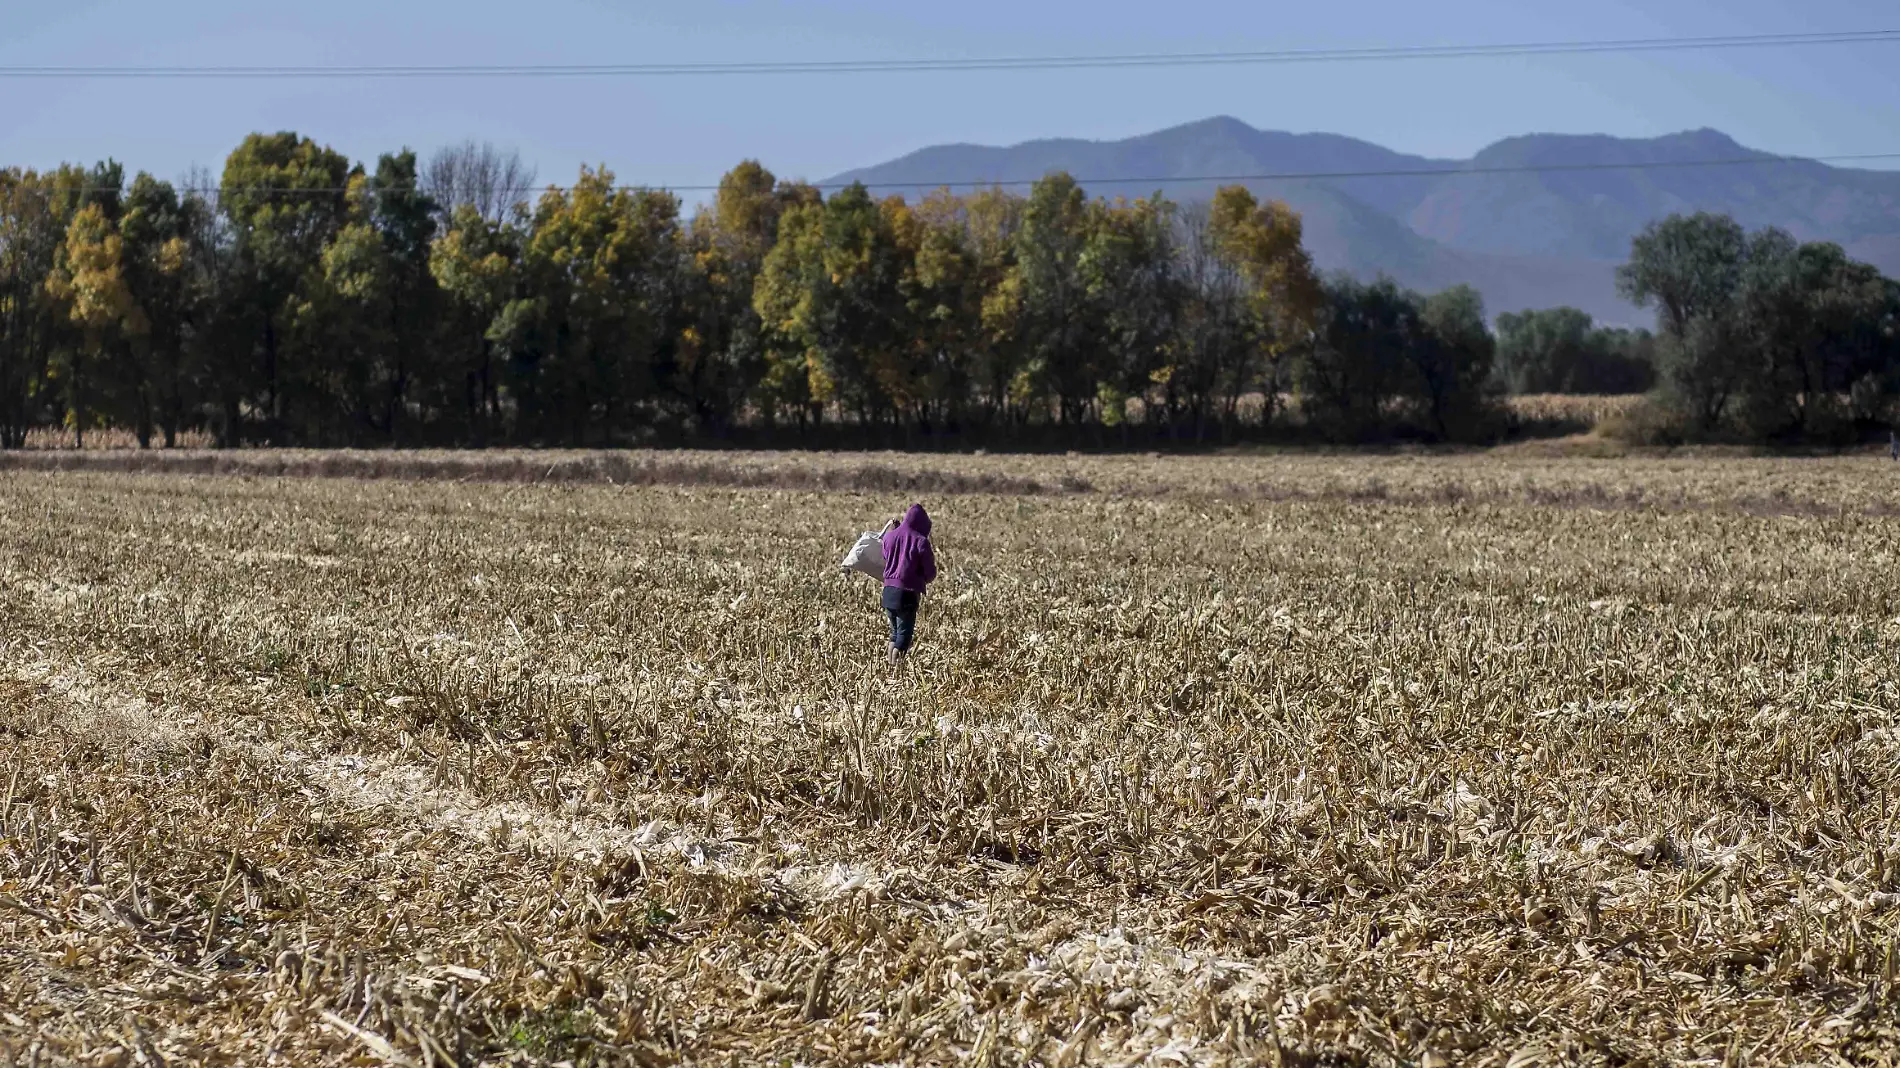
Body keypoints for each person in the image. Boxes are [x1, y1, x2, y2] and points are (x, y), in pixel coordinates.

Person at [879, 504, 938, 664]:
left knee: (894, 633)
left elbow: (885, 555)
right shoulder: (920, 541)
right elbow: (929, 572)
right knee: (903, 638)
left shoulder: (890, 536)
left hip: (888, 591)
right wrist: (925, 579)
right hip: (907, 594)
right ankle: (896, 672)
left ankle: (889, 667)